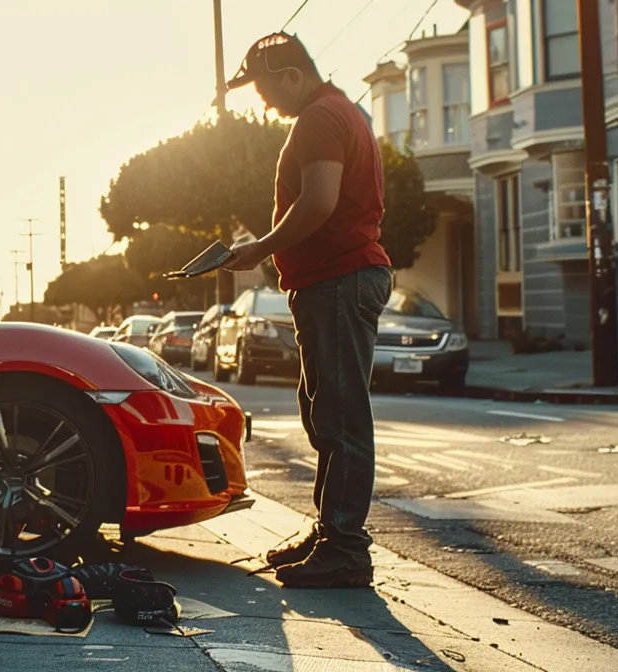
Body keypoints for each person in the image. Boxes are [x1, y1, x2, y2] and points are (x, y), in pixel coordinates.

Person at [220, 32, 391, 588]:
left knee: (341, 415)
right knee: (325, 412)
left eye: (265, 88)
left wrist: (258, 248)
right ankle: (328, 533)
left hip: (341, 278)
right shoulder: (336, 112)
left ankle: (345, 548)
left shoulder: (319, 118)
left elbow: (319, 200)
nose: (263, 101)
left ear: (292, 74)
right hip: (329, 281)